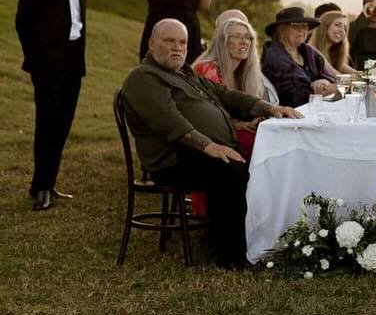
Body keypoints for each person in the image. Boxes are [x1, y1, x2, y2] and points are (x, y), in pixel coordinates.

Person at [120, 19, 300, 267]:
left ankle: (257, 239)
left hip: (197, 153)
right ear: (151, 44)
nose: (177, 47)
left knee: (254, 163)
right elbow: (169, 121)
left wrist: (270, 108)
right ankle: (231, 258)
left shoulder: (185, 74)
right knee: (231, 171)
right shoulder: (144, 77)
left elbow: (226, 95)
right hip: (172, 159)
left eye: (182, 42)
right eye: (169, 41)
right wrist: (210, 147)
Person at [15, 0, 91, 211]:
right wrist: (37, 60)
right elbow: (23, 21)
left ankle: (48, 181)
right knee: (46, 124)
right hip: (48, 63)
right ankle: (41, 187)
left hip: (74, 61)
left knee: (63, 124)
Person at [194, 15, 280, 159]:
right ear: (223, 41)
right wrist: (240, 125)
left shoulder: (248, 74)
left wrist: (257, 119)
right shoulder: (207, 69)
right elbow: (209, 119)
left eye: (248, 37)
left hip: (235, 134)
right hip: (213, 140)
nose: (244, 42)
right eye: (238, 37)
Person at [260, 7, 340, 108]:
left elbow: (330, 76)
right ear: (281, 30)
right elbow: (299, 96)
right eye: (296, 26)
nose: (302, 31)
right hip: (289, 117)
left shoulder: (307, 51)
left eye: (305, 27)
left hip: (314, 109)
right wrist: (339, 88)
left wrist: (325, 82)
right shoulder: (275, 56)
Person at [307, 10, 357, 76]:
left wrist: (365, 74)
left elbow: (348, 70)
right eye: (337, 25)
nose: (342, 31)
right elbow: (338, 77)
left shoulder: (333, 52)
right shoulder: (312, 50)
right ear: (325, 26)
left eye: (345, 28)